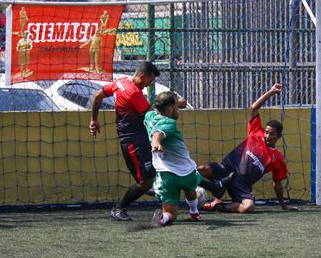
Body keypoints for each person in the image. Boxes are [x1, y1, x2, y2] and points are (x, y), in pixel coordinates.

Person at [90, 61, 185, 221]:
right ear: (141, 76)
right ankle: (118, 208)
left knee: (158, 174)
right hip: (133, 142)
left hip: (139, 138)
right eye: (150, 81)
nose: (150, 84)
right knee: (147, 181)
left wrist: (94, 120)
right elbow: (155, 116)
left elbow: (97, 96)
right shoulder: (134, 93)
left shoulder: (120, 82)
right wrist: (176, 104)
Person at [199, 84, 299, 213]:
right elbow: (254, 107)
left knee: (248, 207)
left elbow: (277, 184)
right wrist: (271, 91)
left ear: (279, 136)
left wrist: (284, 206)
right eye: (267, 132)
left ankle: (216, 205)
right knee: (202, 169)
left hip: (242, 185)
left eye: (272, 134)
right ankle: (188, 195)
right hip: (226, 169)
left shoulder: (277, 158)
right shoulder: (256, 131)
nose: (268, 136)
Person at [144, 91, 234, 226]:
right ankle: (196, 210)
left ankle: (163, 218)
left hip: (166, 175)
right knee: (191, 186)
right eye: (175, 105)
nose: (177, 109)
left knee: (171, 214)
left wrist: (176, 103)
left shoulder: (149, 116)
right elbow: (158, 133)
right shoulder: (169, 122)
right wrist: (156, 142)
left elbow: (156, 111)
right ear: (169, 108)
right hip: (186, 173)